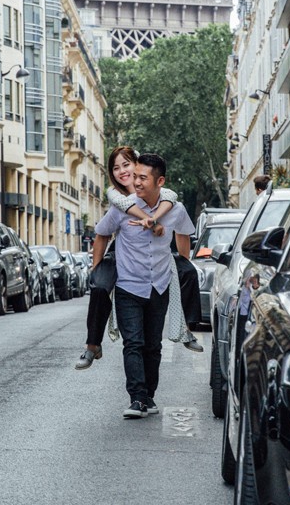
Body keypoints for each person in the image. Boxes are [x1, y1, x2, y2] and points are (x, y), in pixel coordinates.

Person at [75, 145, 201, 370]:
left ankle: (187, 329)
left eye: (126, 165)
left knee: (189, 272)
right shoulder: (116, 196)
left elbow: (170, 198)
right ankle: (92, 344)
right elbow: (107, 228)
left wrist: (158, 223)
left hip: (156, 254)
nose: (122, 172)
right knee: (99, 286)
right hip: (120, 251)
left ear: (137, 165)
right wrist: (152, 222)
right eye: (115, 168)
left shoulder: (159, 190)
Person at [92, 152, 195, 419]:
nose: (135, 182)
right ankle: (136, 398)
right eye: (134, 176)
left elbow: (184, 236)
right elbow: (102, 233)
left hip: (159, 286)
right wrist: (97, 269)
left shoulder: (175, 209)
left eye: (142, 178)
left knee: (153, 346)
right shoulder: (122, 208)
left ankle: (149, 395)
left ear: (160, 181)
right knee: (133, 343)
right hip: (128, 286)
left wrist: (182, 263)